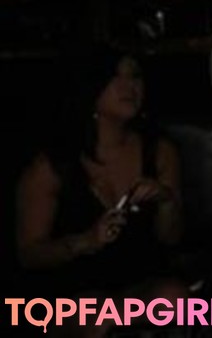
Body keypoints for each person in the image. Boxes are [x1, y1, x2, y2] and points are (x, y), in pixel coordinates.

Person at [15, 44, 186, 336]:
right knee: (97, 312)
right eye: (115, 76)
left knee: (176, 299)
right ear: (90, 86)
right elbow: (29, 254)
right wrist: (85, 241)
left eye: (135, 76)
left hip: (138, 283)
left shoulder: (159, 150)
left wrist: (166, 201)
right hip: (65, 292)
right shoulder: (52, 165)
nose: (129, 86)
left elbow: (171, 239)